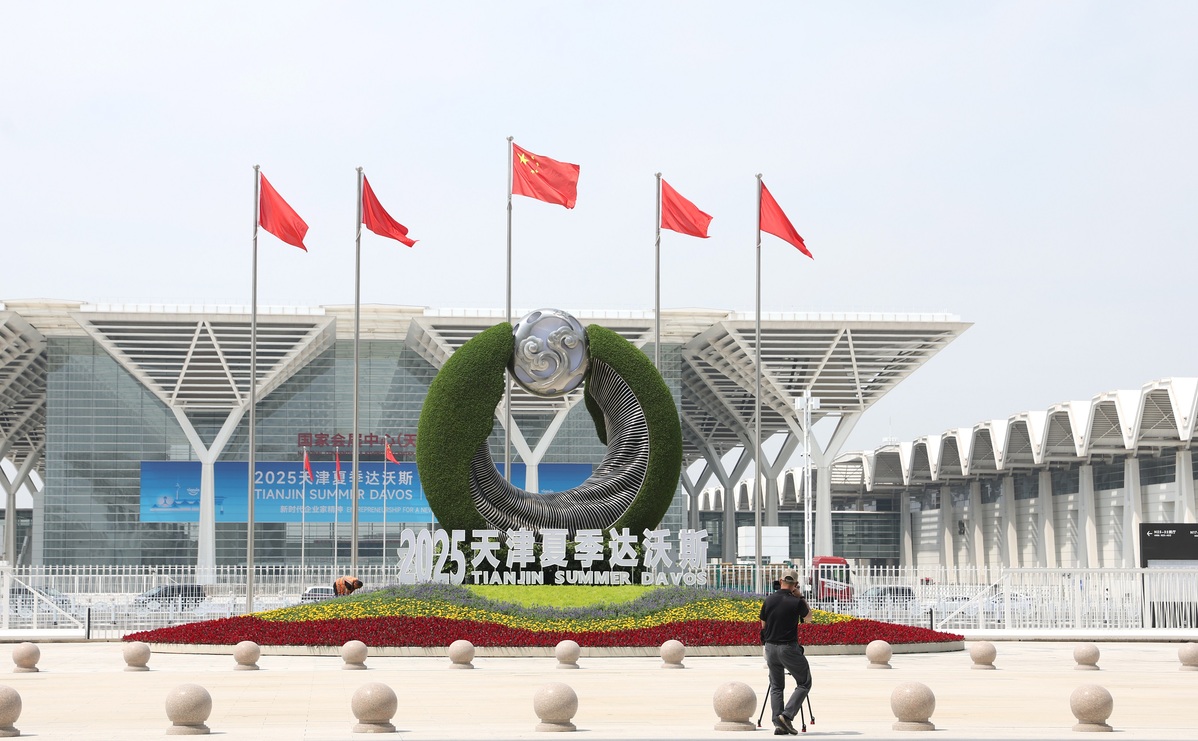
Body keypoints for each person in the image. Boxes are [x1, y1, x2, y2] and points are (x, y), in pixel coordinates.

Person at [759, 571, 813, 735]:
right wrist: (800, 596)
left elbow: (763, 625)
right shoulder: (796, 601)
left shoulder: (769, 600)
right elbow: (809, 618)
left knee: (776, 686)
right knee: (804, 682)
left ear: (780, 580)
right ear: (795, 584)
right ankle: (787, 716)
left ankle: (779, 724)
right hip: (788, 648)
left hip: (770, 647)